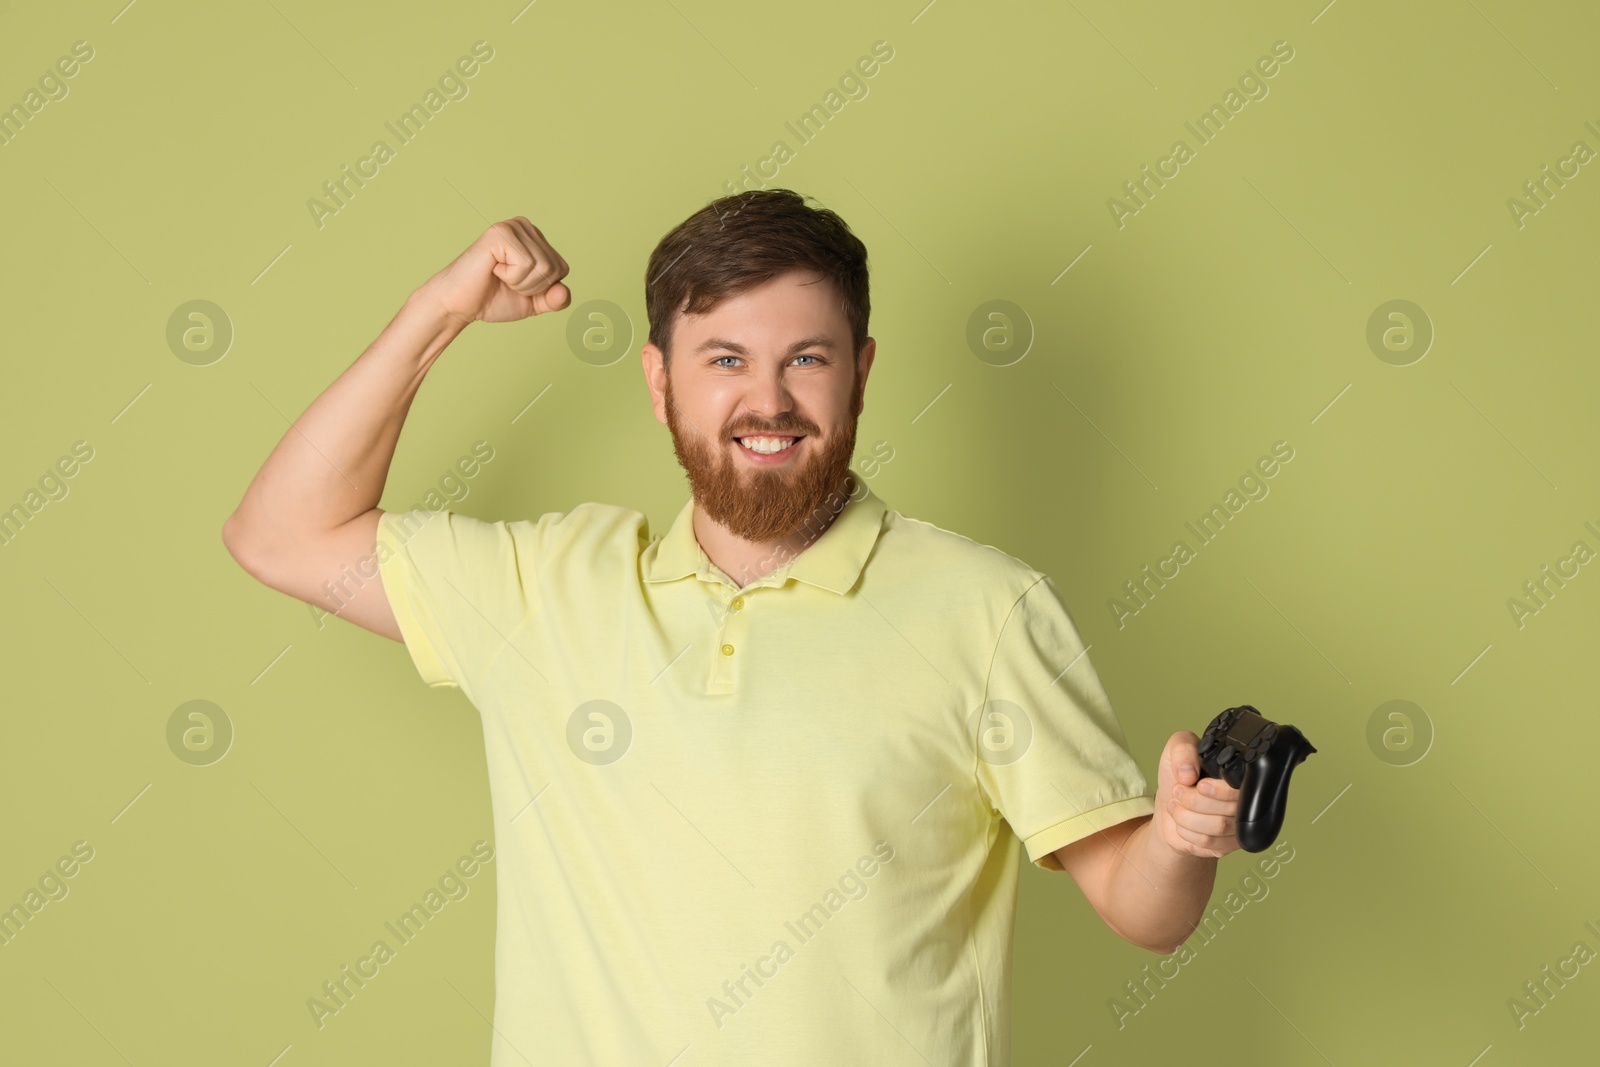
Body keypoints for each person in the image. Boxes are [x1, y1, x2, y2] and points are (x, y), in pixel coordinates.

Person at [222, 188, 1242, 1065]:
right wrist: (439, 310)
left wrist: (1180, 839)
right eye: (723, 359)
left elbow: (1143, 907)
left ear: (861, 370)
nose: (768, 399)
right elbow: (279, 533)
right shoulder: (543, 587)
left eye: (806, 357)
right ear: (660, 381)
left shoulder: (985, 606)